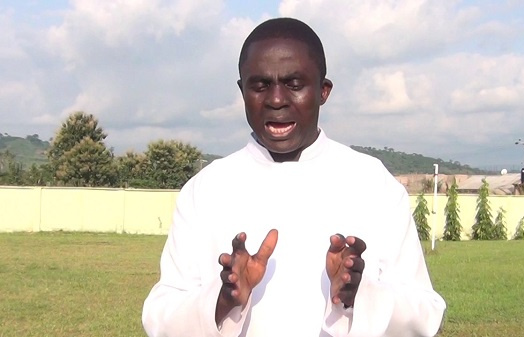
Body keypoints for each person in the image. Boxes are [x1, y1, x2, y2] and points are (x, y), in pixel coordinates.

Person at [142, 17, 446, 337]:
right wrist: (222, 299)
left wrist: (360, 292)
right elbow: (161, 315)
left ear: (323, 91)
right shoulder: (204, 191)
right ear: (242, 90)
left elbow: (424, 315)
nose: (276, 100)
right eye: (260, 85)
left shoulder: (374, 184)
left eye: (294, 84)